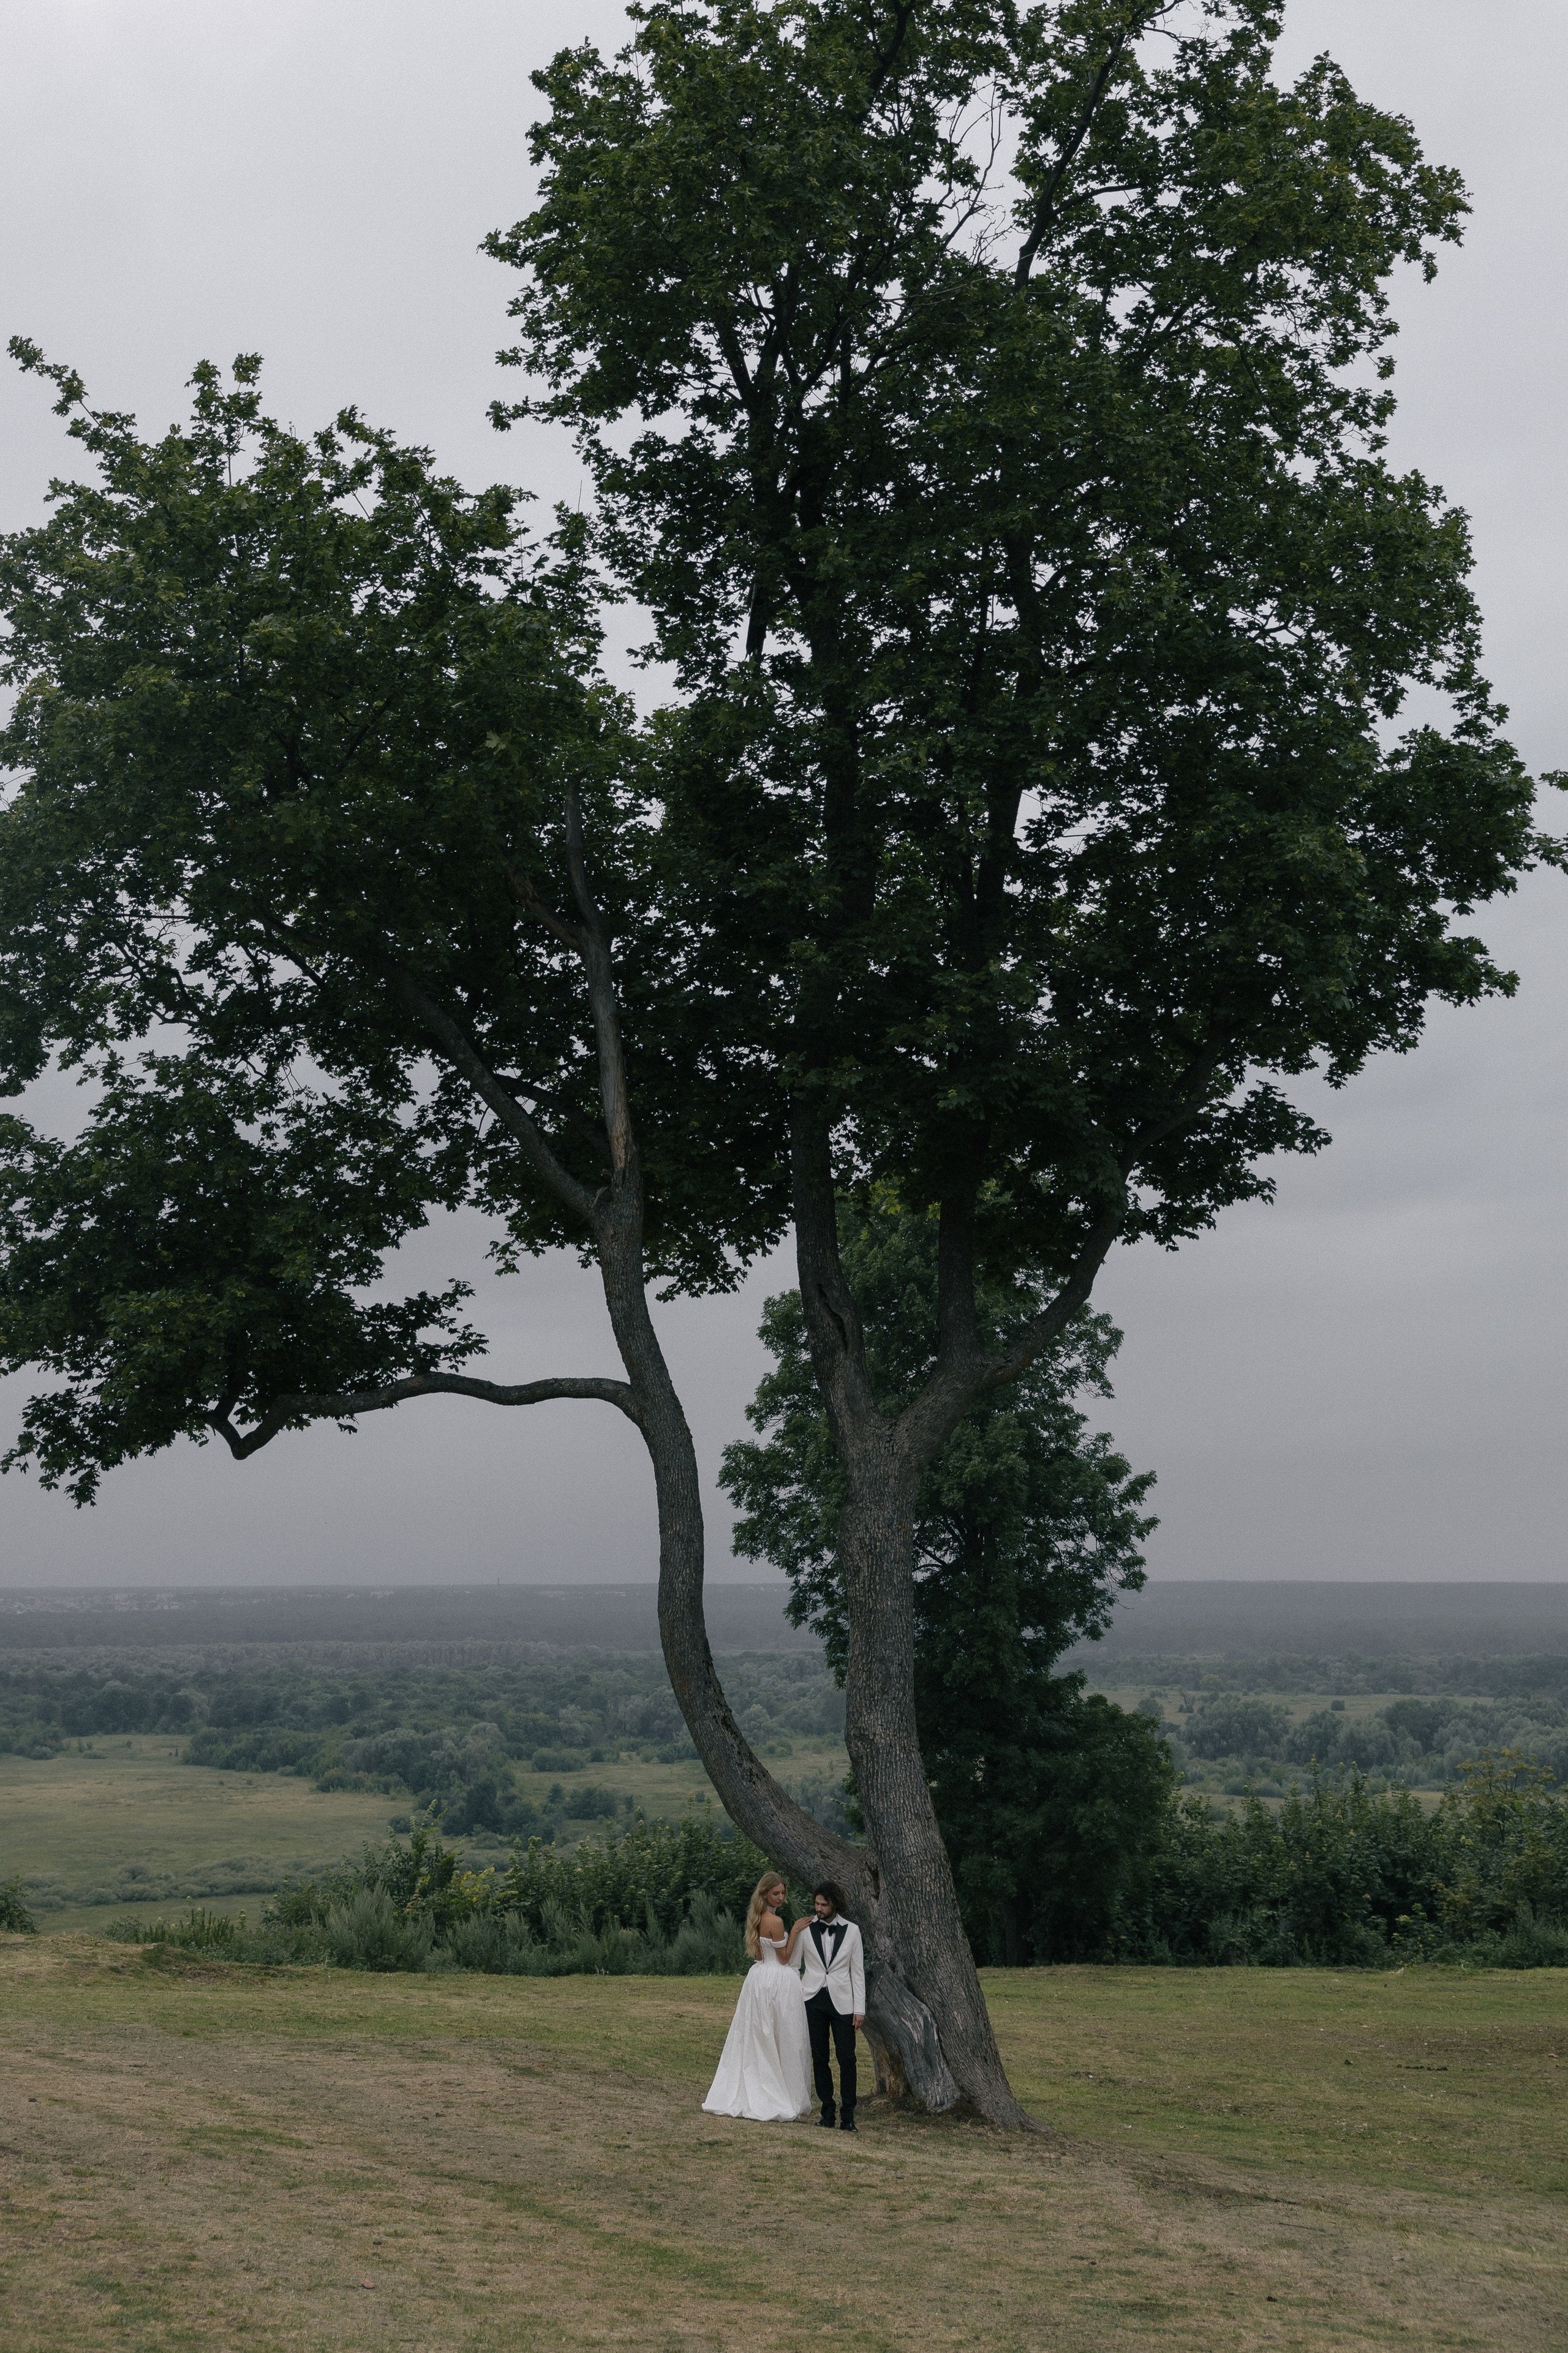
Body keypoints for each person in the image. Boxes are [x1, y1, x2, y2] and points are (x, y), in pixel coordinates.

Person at [700, 1871, 813, 2121]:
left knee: (757, 2034)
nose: (781, 1898)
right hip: (775, 1980)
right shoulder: (776, 1922)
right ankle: (778, 2088)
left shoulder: (756, 1918)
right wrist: (794, 1931)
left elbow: (761, 1955)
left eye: (783, 1893)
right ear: (765, 1894)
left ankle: (757, 2081)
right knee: (780, 2034)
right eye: (776, 1894)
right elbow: (784, 1958)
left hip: (759, 1978)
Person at [795, 1880, 865, 2132]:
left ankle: (848, 2115)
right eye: (817, 1903)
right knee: (819, 2057)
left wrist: (860, 2009)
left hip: (843, 2002)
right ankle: (827, 2112)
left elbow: (858, 1973)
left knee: (847, 2058)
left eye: (824, 1904)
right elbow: (794, 1963)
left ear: (835, 1904)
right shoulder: (806, 1929)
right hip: (812, 1999)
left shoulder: (853, 1931)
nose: (819, 1908)